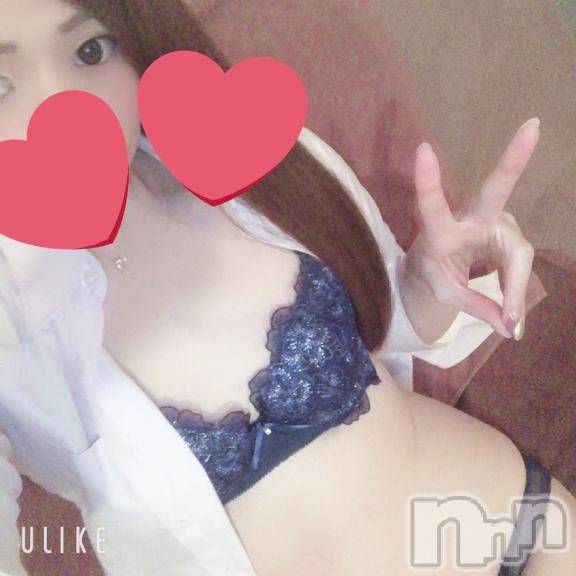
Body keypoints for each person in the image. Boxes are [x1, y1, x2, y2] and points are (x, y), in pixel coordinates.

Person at [0, 0, 574, 574]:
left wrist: (428, 282)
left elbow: (388, 329)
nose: (60, 104)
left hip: (524, 535)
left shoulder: (236, 141)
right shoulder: (14, 324)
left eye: (90, 51)